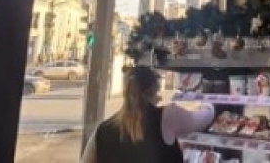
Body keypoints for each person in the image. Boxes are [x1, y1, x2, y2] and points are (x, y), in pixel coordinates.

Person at [80, 66, 214, 163]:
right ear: (154, 88)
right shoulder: (167, 116)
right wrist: (209, 103)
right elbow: (204, 117)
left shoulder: (101, 131)